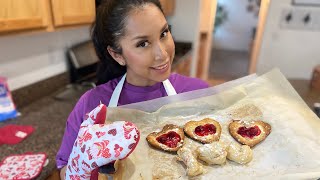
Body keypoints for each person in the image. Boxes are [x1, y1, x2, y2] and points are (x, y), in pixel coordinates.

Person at [56, 0, 209, 179]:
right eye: (143, 43)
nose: (162, 54)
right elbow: (64, 169)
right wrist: (80, 165)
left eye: (164, 33)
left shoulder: (198, 92)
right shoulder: (92, 105)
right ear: (117, 55)